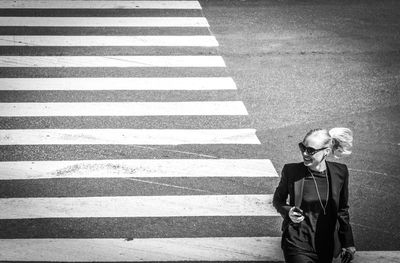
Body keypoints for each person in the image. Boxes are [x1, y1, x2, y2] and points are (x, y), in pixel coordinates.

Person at [273, 128, 356, 263]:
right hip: (296, 242)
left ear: (326, 152)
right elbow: (278, 200)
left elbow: (342, 210)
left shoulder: (340, 173)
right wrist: (289, 212)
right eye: (303, 147)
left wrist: (348, 242)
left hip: (325, 245)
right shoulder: (292, 171)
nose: (305, 153)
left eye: (311, 150)